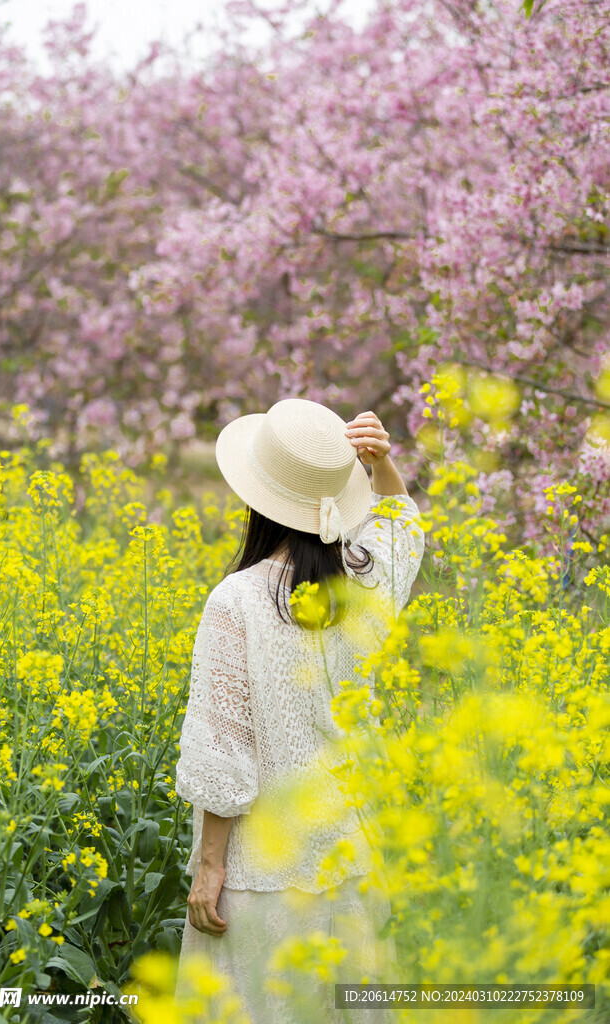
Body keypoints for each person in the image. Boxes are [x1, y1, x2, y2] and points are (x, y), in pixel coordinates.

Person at [173, 399, 425, 1023]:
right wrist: (382, 464)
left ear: (258, 497)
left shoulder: (236, 601)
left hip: (261, 873)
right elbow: (402, 528)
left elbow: (224, 750)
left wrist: (209, 868)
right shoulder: (368, 583)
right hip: (352, 859)